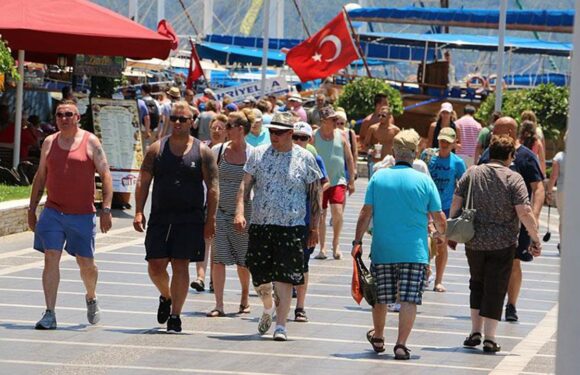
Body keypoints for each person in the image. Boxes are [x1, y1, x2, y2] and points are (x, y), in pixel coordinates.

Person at [352, 129, 446, 359]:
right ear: (415, 154)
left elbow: (365, 213)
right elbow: (438, 216)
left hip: (383, 249)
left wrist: (357, 241)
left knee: (381, 297)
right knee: (409, 298)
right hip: (414, 251)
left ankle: (379, 336)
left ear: (394, 152)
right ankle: (401, 344)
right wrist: (441, 235)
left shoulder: (379, 177)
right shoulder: (424, 181)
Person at [233, 111, 322, 341]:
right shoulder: (259, 154)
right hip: (262, 224)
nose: (274, 136)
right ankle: (267, 305)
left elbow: (315, 195)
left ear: (291, 134)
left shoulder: (305, 158)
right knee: (260, 275)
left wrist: (314, 228)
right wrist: (240, 212)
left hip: (291, 226)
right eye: (272, 131)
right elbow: (245, 186)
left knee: (285, 276)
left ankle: (280, 325)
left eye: (280, 133)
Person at [133, 101, 219, 333]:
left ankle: (175, 316)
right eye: (174, 118)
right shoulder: (156, 149)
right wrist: (139, 210)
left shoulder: (202, 151)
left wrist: (210, 219)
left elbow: (213, 187)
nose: (178, 123)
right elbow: (143, 180)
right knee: (155, 265)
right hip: (160, 216)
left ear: (192, 122)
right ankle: (166, 295)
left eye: (183, 119)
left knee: (181, 265)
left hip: (190, 218)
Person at [452, 135, 541, 353]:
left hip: (474, 240)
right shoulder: (514, 178)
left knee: (477, 283)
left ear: (490, 153)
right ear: (510, 156)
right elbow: (524, 212)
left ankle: (475, 331)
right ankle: (490, 338)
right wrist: (535, 238)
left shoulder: (472, 172)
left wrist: (450, 232)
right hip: (503, 243)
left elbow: (456, 202)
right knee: (496, 288)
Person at [28, 100, 113, 329]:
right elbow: (40, 176)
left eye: (69, 114)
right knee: (50, 257)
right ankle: (49, 313)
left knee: (86, 265)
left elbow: (105, 174)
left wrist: (106, 209)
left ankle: (91, 296)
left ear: (78, 118)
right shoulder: (49, 142)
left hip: (82, 214)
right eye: (59, 114)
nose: (64, 118)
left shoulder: (90, 142)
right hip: (53, 211)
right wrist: (31, 208)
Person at [478, 117, 544, 322]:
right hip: (489, 221)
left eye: (496, 131)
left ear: (509, 132)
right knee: (488, 265)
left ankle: (511, 305)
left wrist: (535, 215)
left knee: (515, 262)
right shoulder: (489, 154)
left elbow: (538, 188)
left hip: (518, 222)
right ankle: (489, 304)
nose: (492, 135)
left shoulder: (526, 157)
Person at [207, 109, 255, 317]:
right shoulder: (218, 150)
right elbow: (209, 179)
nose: (224, 130)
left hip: (245, 214)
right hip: (220, 212)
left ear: (241, 130)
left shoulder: (253, 154)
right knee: (218, 259)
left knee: (243, 261)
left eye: (229, 126)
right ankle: (219, 304)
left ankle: (244, 297)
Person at [292, 121, 330, 322]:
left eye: (302, 138)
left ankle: (300, 306)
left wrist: (314, 226)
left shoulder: (314, 159)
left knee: (303, 263)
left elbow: (324, 184)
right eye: (295, 137)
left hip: (305, 219)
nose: (298, 141)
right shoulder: (280, 156)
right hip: (282, 221)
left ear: (310, 140)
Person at [421, 128, 467, 292]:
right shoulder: (428, 158)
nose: (444, 144)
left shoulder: (457, 163)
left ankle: (438, 280)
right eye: (442, 140)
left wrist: (460, 211)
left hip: (445, 209)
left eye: (448, 141)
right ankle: (426, 272)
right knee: (424, 243)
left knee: (441, 244)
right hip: (425, 208)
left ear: (454, 143)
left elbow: (463, 186)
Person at [189, 114, 228, 293]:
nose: (217, 131)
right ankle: (200, 277)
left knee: (215, 242)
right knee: (203, 240)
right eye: (214, 127)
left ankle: (213, 278)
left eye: (221, 127)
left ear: (227, 131)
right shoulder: (201, 147)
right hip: (202, 199)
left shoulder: (229, 150)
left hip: (222, 202)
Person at [313, 106, 355, 260]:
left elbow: (349, 158)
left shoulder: (342, 135)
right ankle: (322, 247)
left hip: (338, 180)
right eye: (333, 119)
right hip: (320, 182)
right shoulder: (314, 136)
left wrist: (351, 180)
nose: (336, 121)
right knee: (322, 215)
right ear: (323, 121)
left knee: (337, 212)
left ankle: (336, 243)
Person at [363, 105, 400, 177]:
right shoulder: (373, 128)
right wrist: (370, 151)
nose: (380, 117)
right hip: (375, 162)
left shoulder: (396, 130)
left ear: (389, 116)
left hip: (389, 163)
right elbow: (365, 145)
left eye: (383, 116)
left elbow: (399, 147)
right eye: (379, 115)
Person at [546, 131, 567, 253]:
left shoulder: (559, 156)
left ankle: (563, 244)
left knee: (563, 218)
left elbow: (553, 176)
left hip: (563, 191)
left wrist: (548, 192)